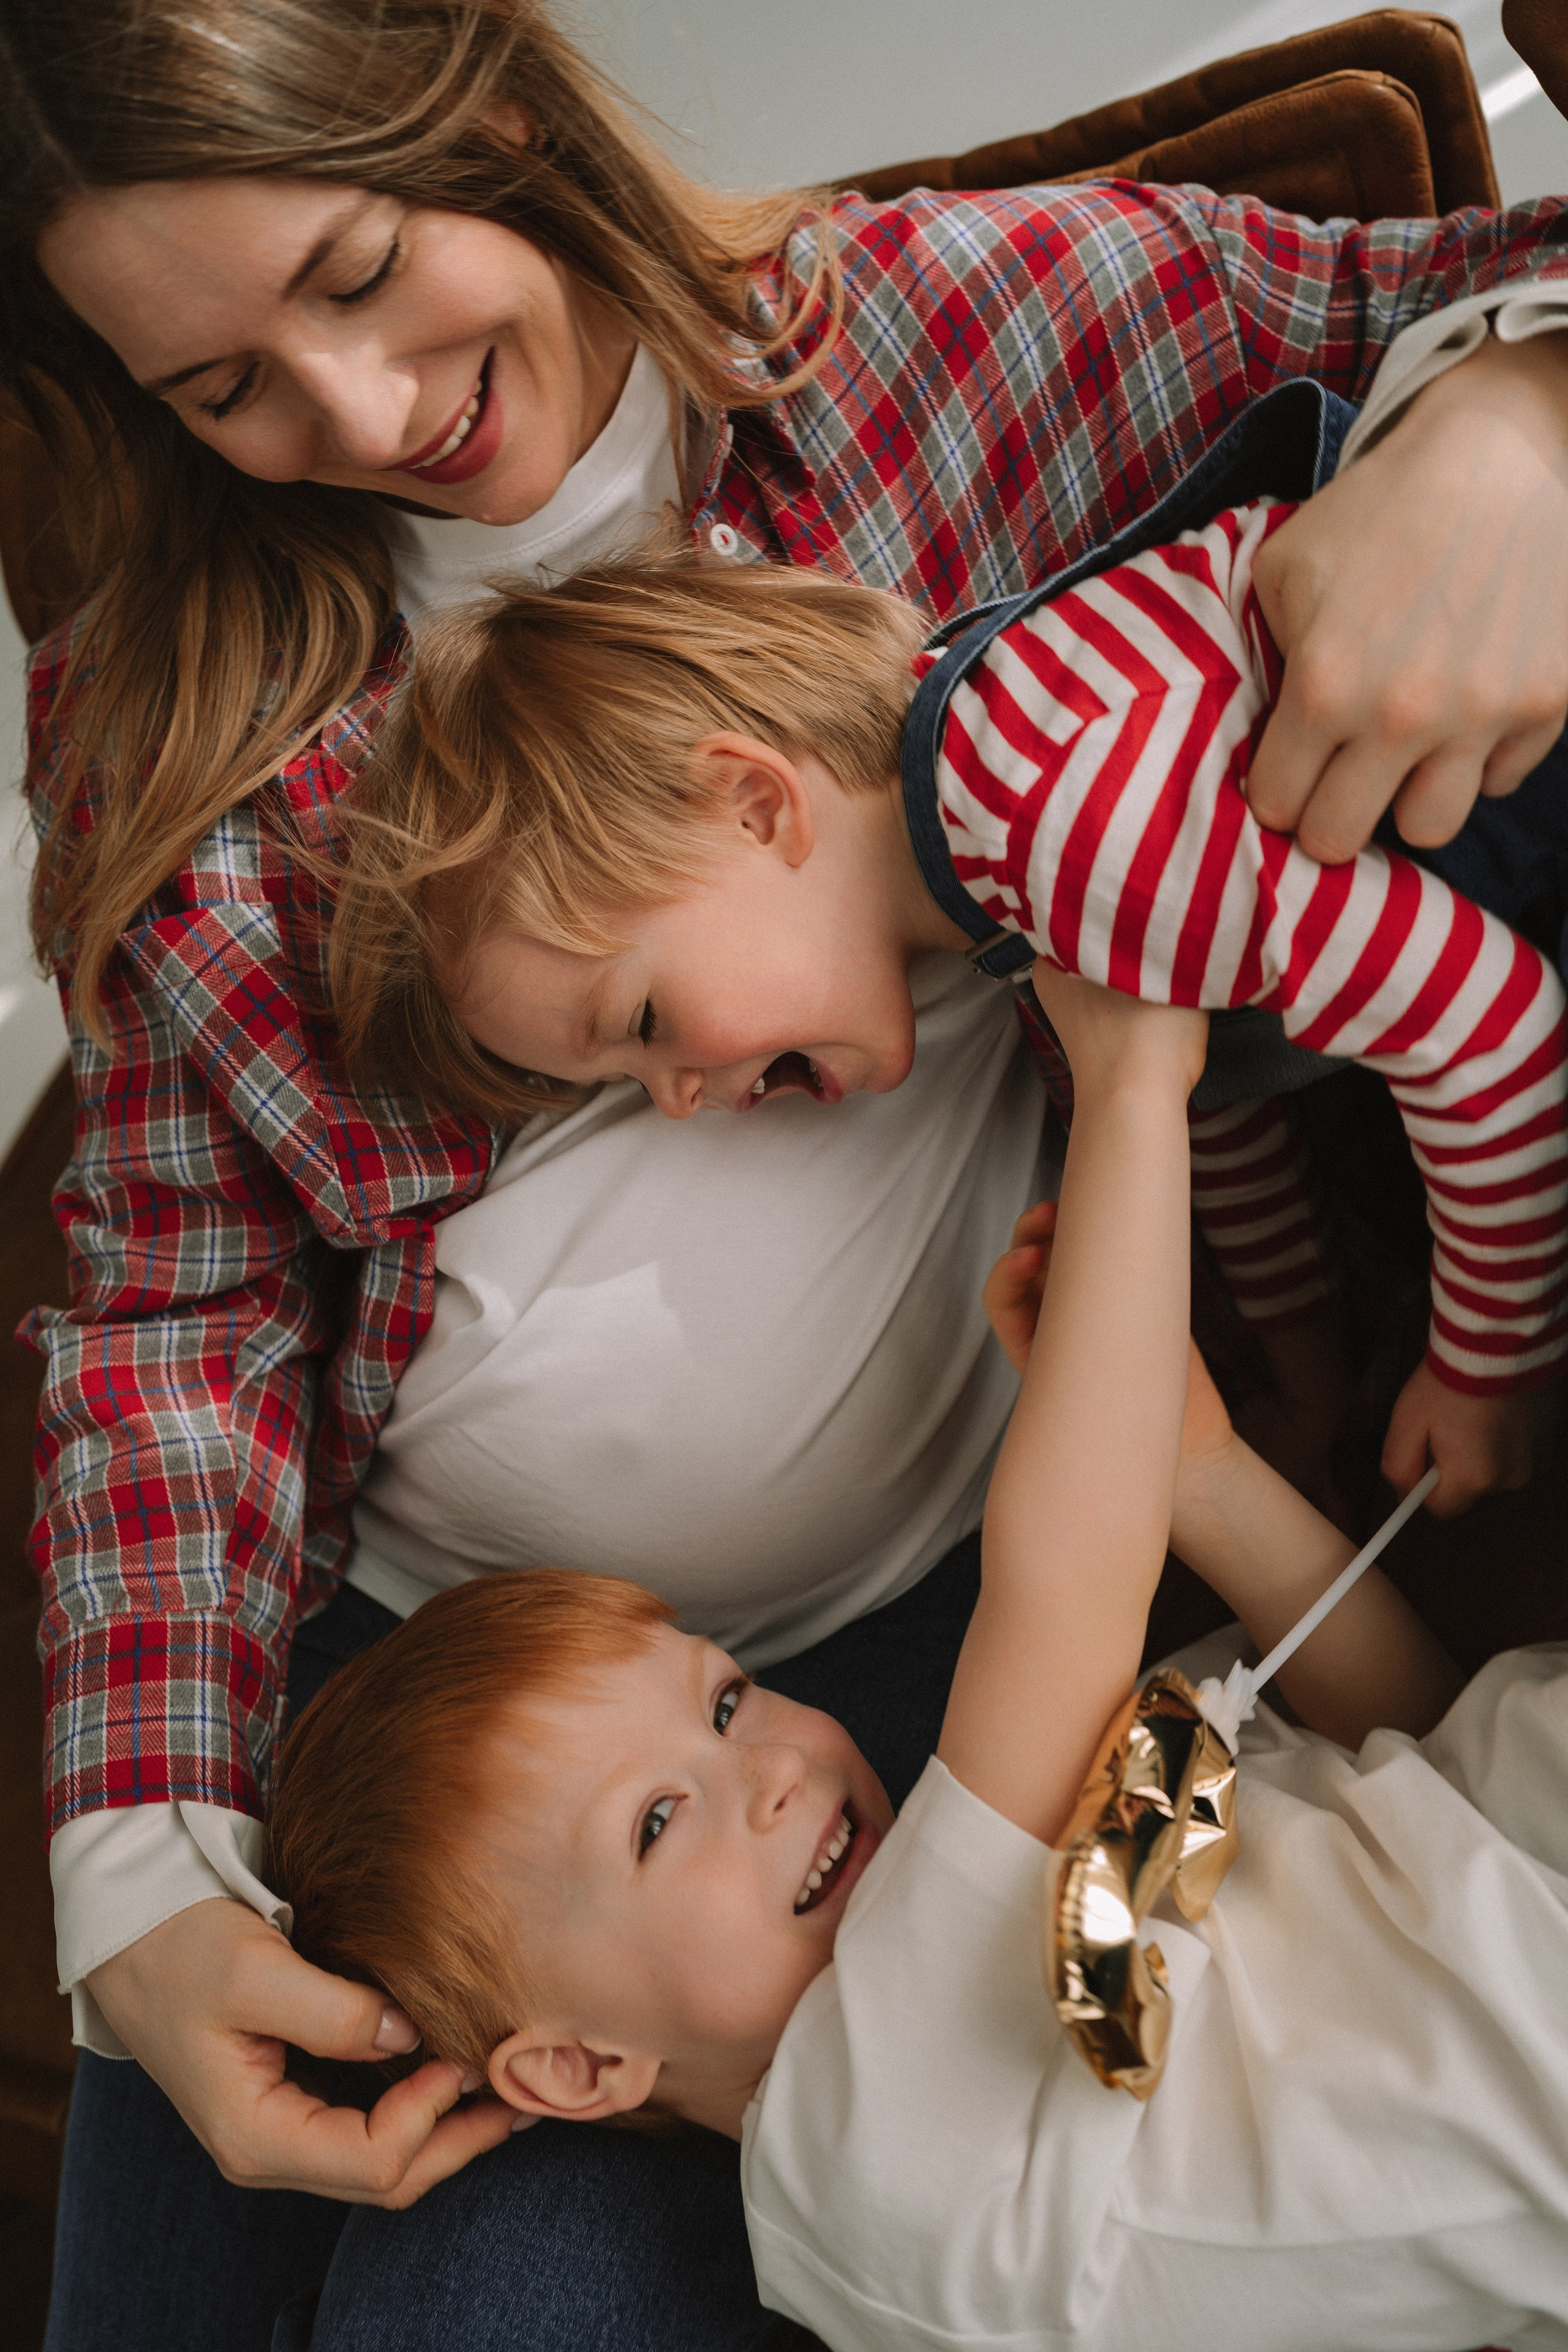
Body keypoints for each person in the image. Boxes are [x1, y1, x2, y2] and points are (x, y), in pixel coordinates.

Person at [11, 0, 1568, 2342]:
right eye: (219, 388)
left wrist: (1524, 412)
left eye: (350, 274)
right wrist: (134, 1858)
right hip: (403, 1667)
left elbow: (1464, 291)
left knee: (492, 2322)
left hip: (878, 1659)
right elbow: (169, 1309)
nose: (347, 426)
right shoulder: (168, 683)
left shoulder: (950, 340)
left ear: (491, 104)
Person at [269, 968, 1568, 2350]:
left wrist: (1202, 1477)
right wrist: (1129, 1079)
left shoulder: (974, 1919)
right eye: (655, 1822)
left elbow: (1432, 1760)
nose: (763, 1771)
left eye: (721, 1702)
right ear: (583, 2065)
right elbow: (1062, 1586)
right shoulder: (868, 2153)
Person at [333, 472, 1568, 1515]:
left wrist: (1485, 1369)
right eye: (621, 1084)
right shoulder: (995, 867)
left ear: (756, 805)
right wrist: (1308, 1381)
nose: (676, 1102)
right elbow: (1216, 1090)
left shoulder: (1053, 816)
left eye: (645, 1028)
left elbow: (1490, 1026)